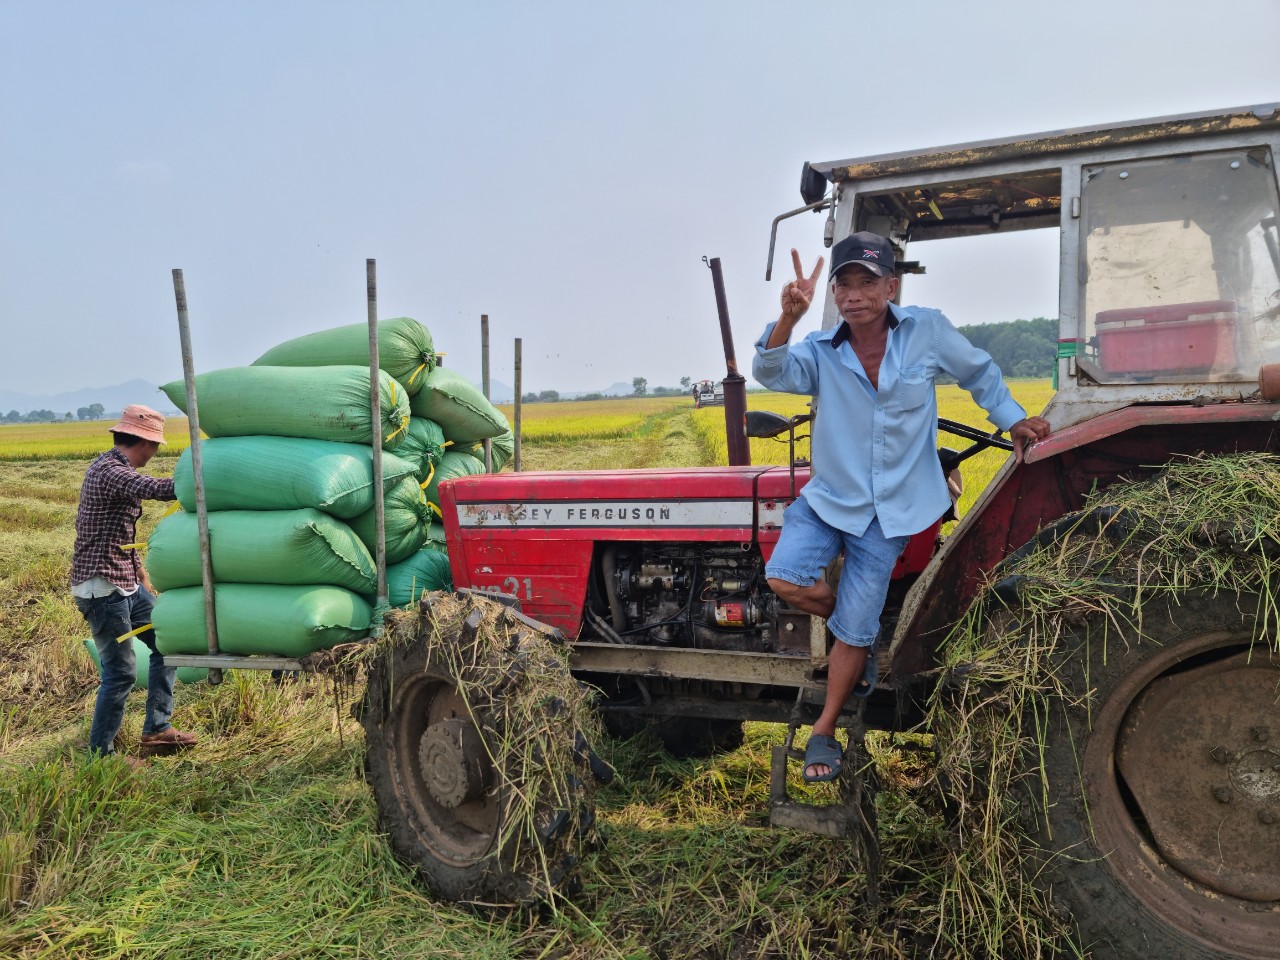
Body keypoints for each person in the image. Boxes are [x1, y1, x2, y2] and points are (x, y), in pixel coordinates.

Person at [753, 233, 1050, 782]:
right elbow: (770, 372)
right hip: (829, 500)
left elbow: (979, 373)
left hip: (893, 510)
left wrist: (1012, 418)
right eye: (844, 284)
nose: (854, 294)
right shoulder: (820, 351)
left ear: (891, 286)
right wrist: (788, 318)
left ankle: (823, 732)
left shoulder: (927, 331)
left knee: (855, 627)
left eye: (868, 282)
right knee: (786, 579)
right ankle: (856, 637)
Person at [70, 404, 196, 763]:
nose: (155, 453)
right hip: (101, 588)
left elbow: (118, 529)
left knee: (168, 643)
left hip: (125, 579)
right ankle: (102, 755)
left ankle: (157, 728)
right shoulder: (111, 471)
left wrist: (139, 568)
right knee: (122, 671)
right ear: (143, 442)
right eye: (155, 446)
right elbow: (155, 488)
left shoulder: (115, 469)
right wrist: (200, 479)